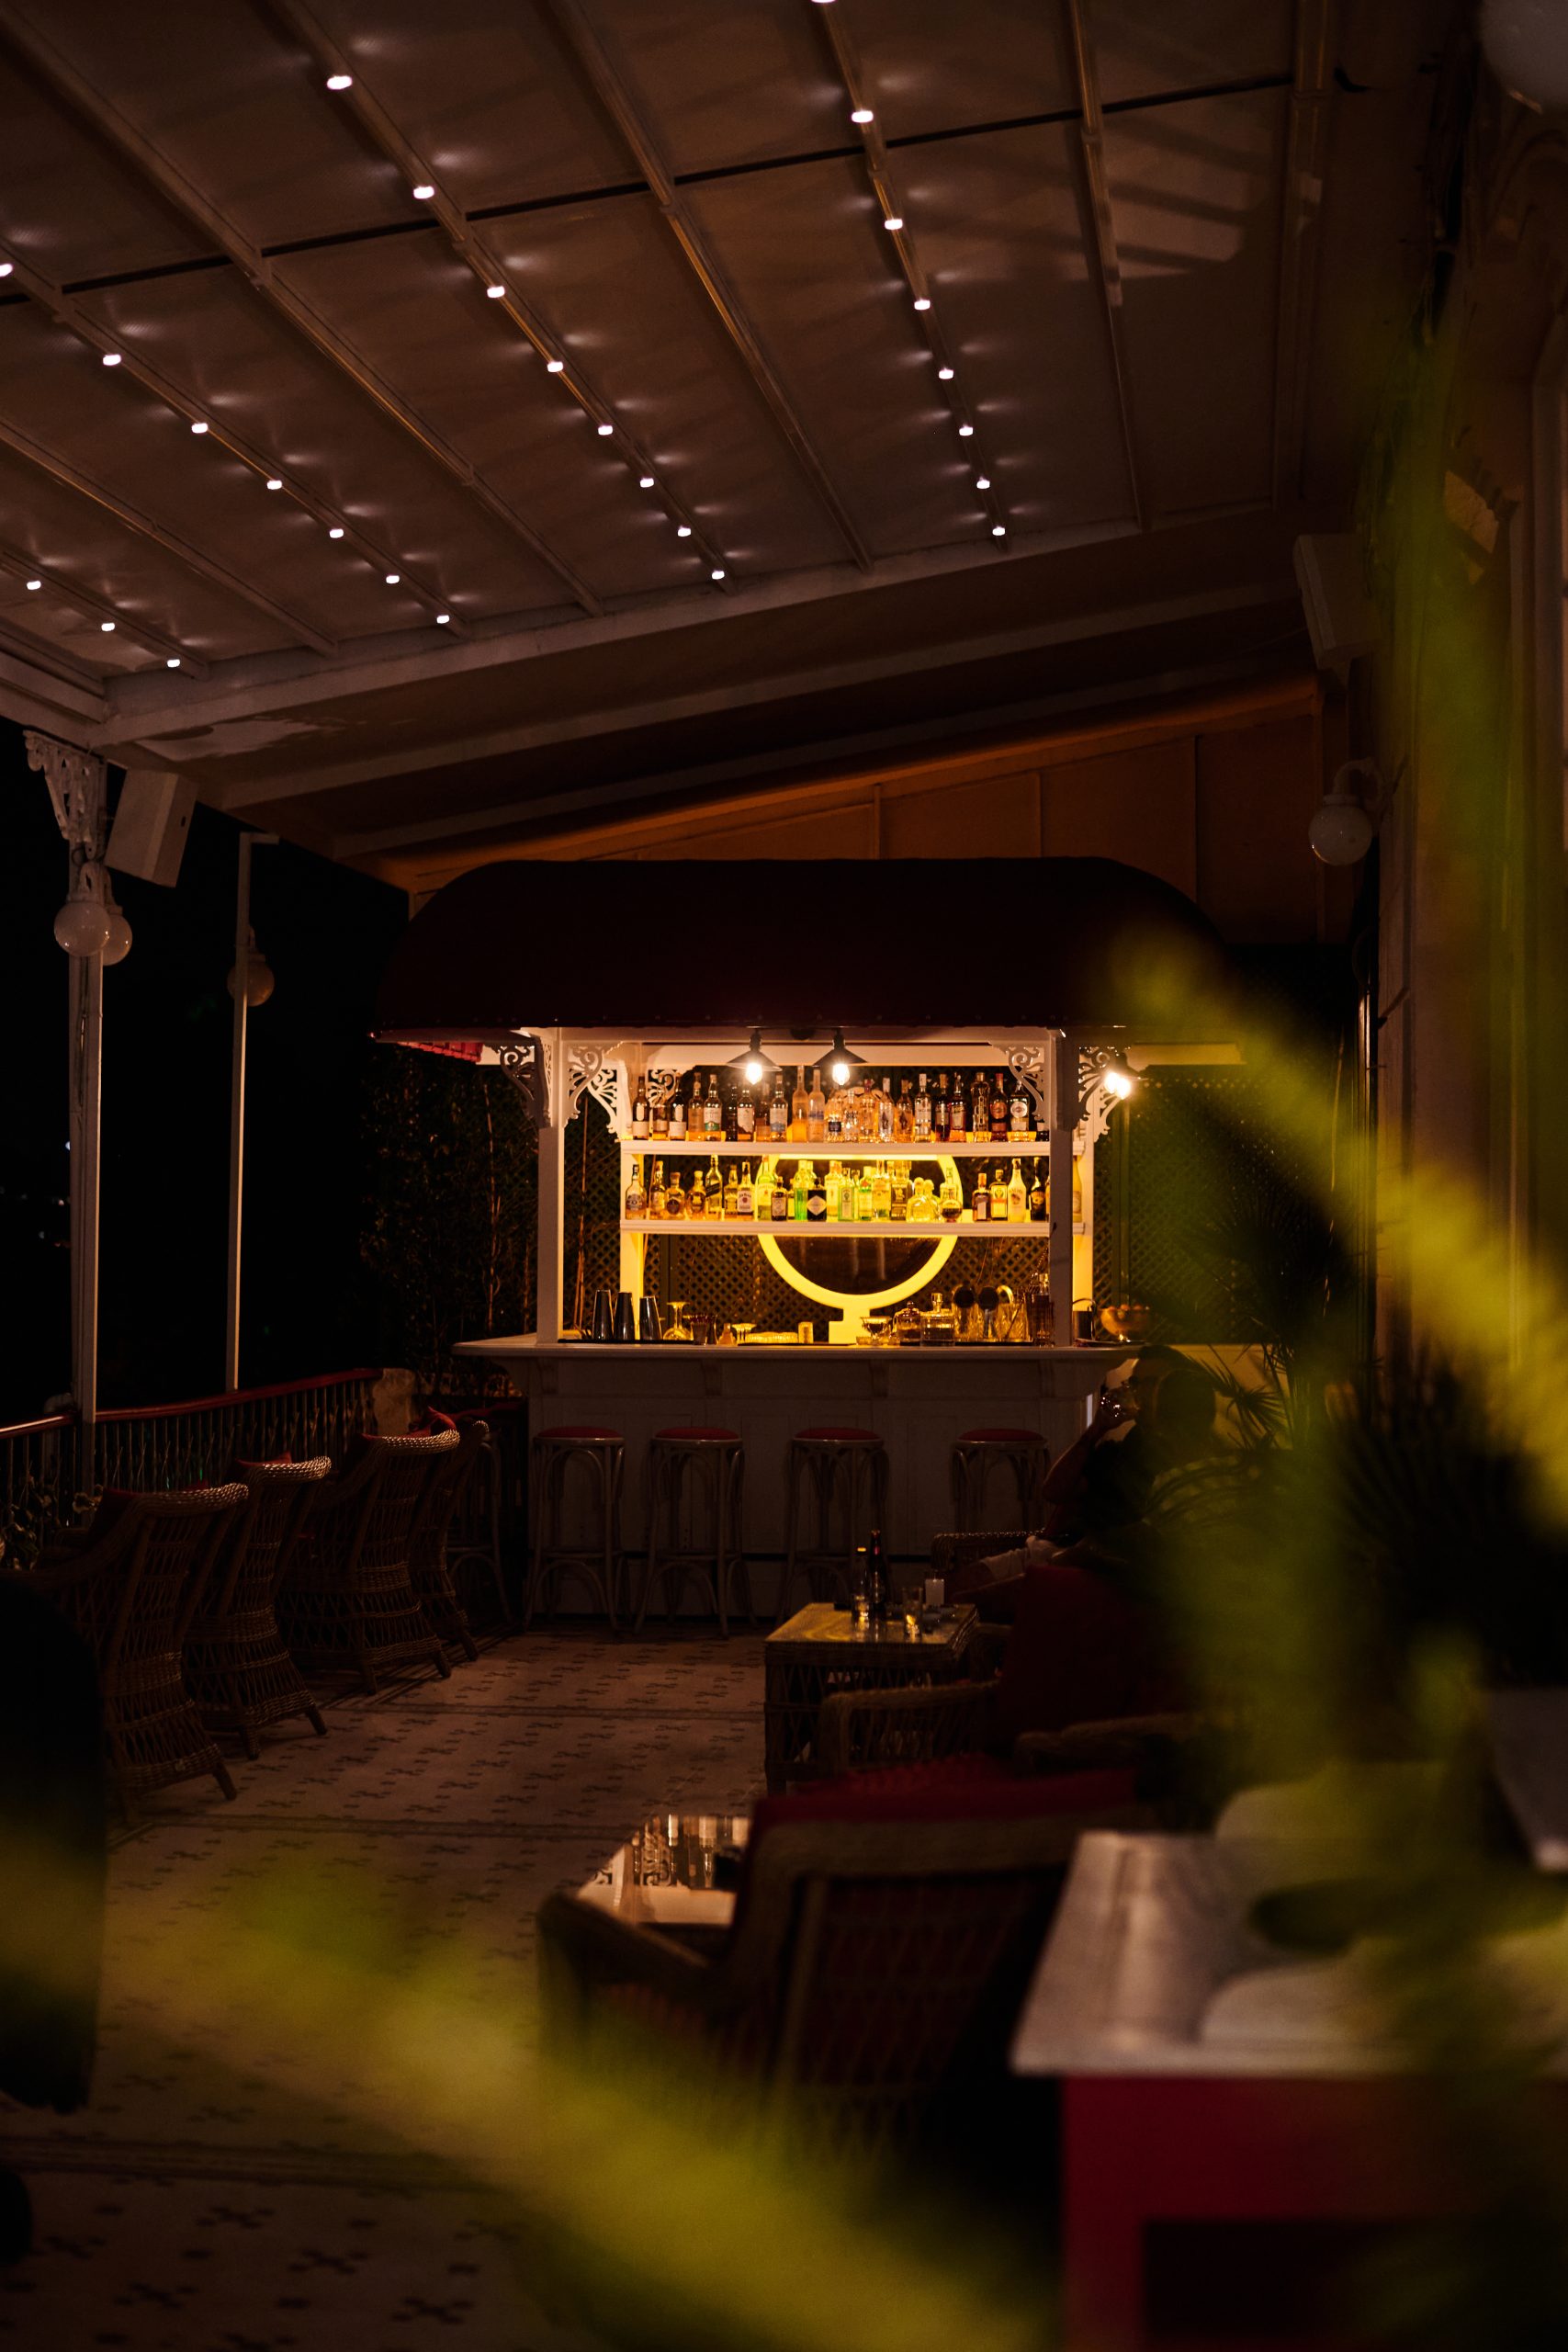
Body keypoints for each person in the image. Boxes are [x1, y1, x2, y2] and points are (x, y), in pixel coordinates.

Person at [1040, 1345, 1217, 1547]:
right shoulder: (1125, 1449)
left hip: (1096, 1558)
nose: (1139, 1392)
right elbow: (1053, 1491)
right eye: (1135, 1383)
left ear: (1174, 1390)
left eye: (1151, 1383)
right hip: (1064, 1548)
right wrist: (1096, 1429)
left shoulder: (1183, 1457)